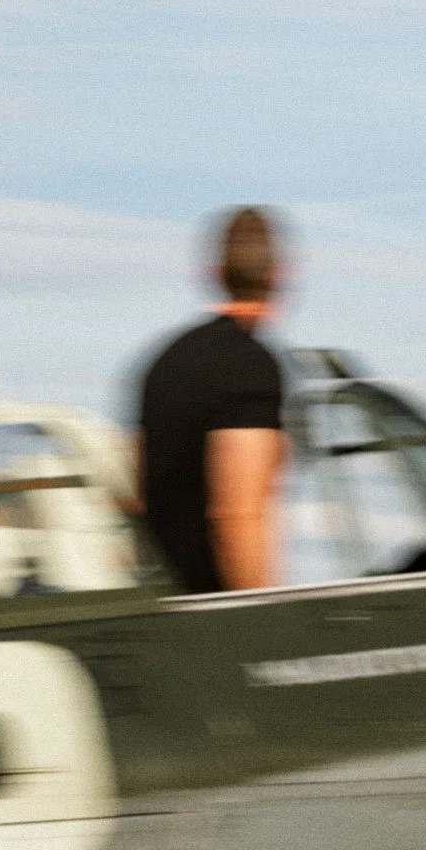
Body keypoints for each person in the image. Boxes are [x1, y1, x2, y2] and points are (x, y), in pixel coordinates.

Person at [138, 207, 287, 593]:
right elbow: (239, 515)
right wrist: (266, 623)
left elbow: (137, 494)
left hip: (162, 608)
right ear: (279, 274)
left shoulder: (163, 361)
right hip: (217, 618)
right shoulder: (250, 366)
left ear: (217, 274)